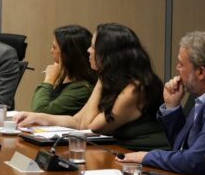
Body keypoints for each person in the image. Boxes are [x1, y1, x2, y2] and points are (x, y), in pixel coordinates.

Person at [15, 23, 168, 151]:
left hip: (148, 159)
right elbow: (76, 120)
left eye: (94, 47)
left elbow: (90, 126)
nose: (88, 50)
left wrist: (101, 78)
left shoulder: (135, 89)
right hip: (125, 153)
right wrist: (37, 117)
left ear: (108, 54)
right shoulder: (112, 81)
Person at [119, 32, 205, 175]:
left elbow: (197, 162)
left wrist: (146, 156)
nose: (177, 68)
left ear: (201, 72)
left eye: (181, 64)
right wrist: (172, 106)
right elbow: (183, 148)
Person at [30, 25, 96, 115]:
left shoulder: (82, 88)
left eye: (54, 47)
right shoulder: (66, 76)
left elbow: (40, 111)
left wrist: (48, 80)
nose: (51, 51)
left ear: (68, 53)